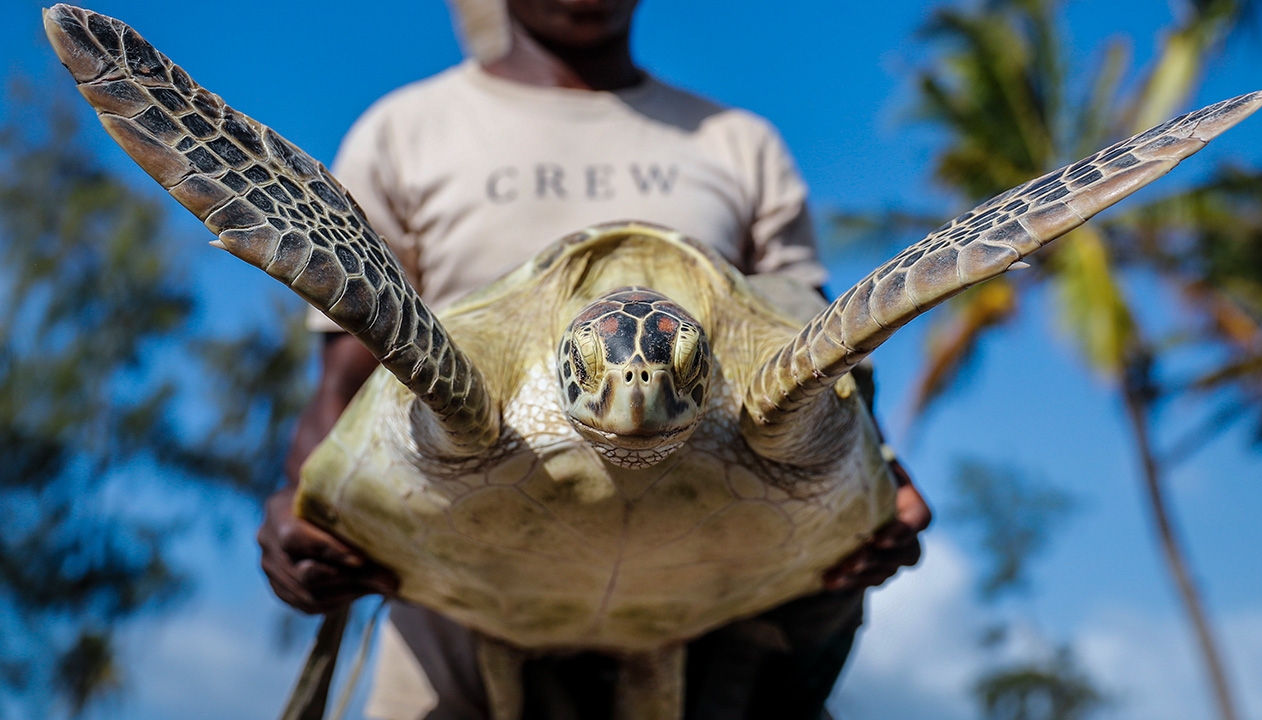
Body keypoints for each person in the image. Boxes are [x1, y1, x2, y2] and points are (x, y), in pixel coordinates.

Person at [257, 1, 931, 718]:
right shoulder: (405, 131)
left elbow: (822, 347)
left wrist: (879, 482)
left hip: (718, 612)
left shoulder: (739, 144)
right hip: (453, 596)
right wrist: (302, 508)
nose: (634, 391)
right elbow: (348, 377)